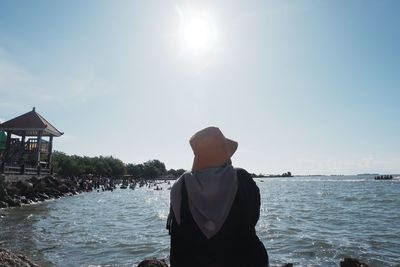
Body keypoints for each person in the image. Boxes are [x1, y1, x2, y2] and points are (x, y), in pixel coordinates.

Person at [166, 126, 269, 267]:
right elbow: (252, 218)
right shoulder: (241, 178)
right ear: (225, 154)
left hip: (192, 260)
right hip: (244, 259)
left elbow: (177, 232)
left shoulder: (181, 184)